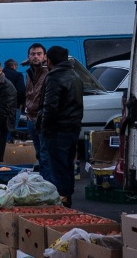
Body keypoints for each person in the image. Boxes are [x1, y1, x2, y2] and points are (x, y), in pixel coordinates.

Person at [38, 46, 84, 208]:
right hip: (72, 128)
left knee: (58, 168)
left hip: (57, 131)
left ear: (49, 60)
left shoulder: (54, 77)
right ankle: (67, 199)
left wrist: (44, 130)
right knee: (67, 166)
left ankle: (62, 203)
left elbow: (50, 107)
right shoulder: (75, 75)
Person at [24, 43, 50, 179]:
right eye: (33, 54)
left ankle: (46, 183)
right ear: (28, 57)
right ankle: (42, 179)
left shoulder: (48, 73)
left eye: (39, 54)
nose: (36, 57)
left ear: (45, 57)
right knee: (39, 152)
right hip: (30, 118)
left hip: (43, 119)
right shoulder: (29, 73)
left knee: (45, 154)